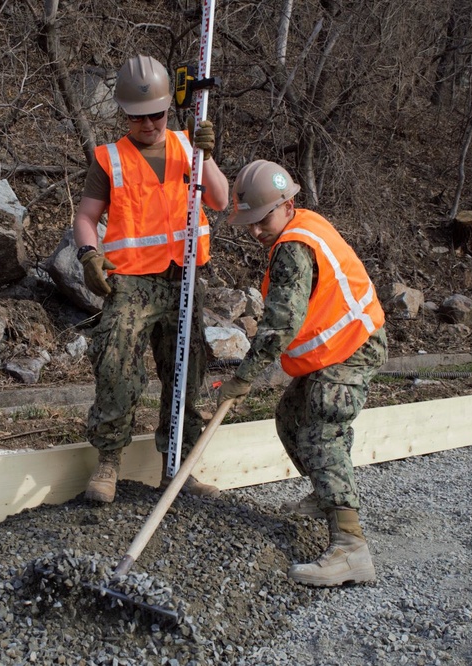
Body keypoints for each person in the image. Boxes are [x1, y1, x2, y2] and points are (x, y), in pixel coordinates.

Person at [217, 160, 387, 587]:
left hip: (351, 348)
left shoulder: (294, 246)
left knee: (320, 431)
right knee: (290, 417)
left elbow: (281, 323)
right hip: (335, 349)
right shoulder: (301, 226)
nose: (255, 231)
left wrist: (243, 378)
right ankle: (327, 492)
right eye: (249, 223)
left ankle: (350, 548)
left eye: (262, 220)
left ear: (288, 204)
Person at [73, 54, 230, 503]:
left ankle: (177, 469)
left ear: (169, 107)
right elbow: (86, 217)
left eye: (157, 114)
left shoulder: (188, 146)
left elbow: (219, 201)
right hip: (131, 284)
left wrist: (208, 156)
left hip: (183, 281)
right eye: (138, 116)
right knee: (116, 365)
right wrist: (88, 254)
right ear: (125, 113)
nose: (149, 124)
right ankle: (108, 465)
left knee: (187, 373)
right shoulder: (111, 159)